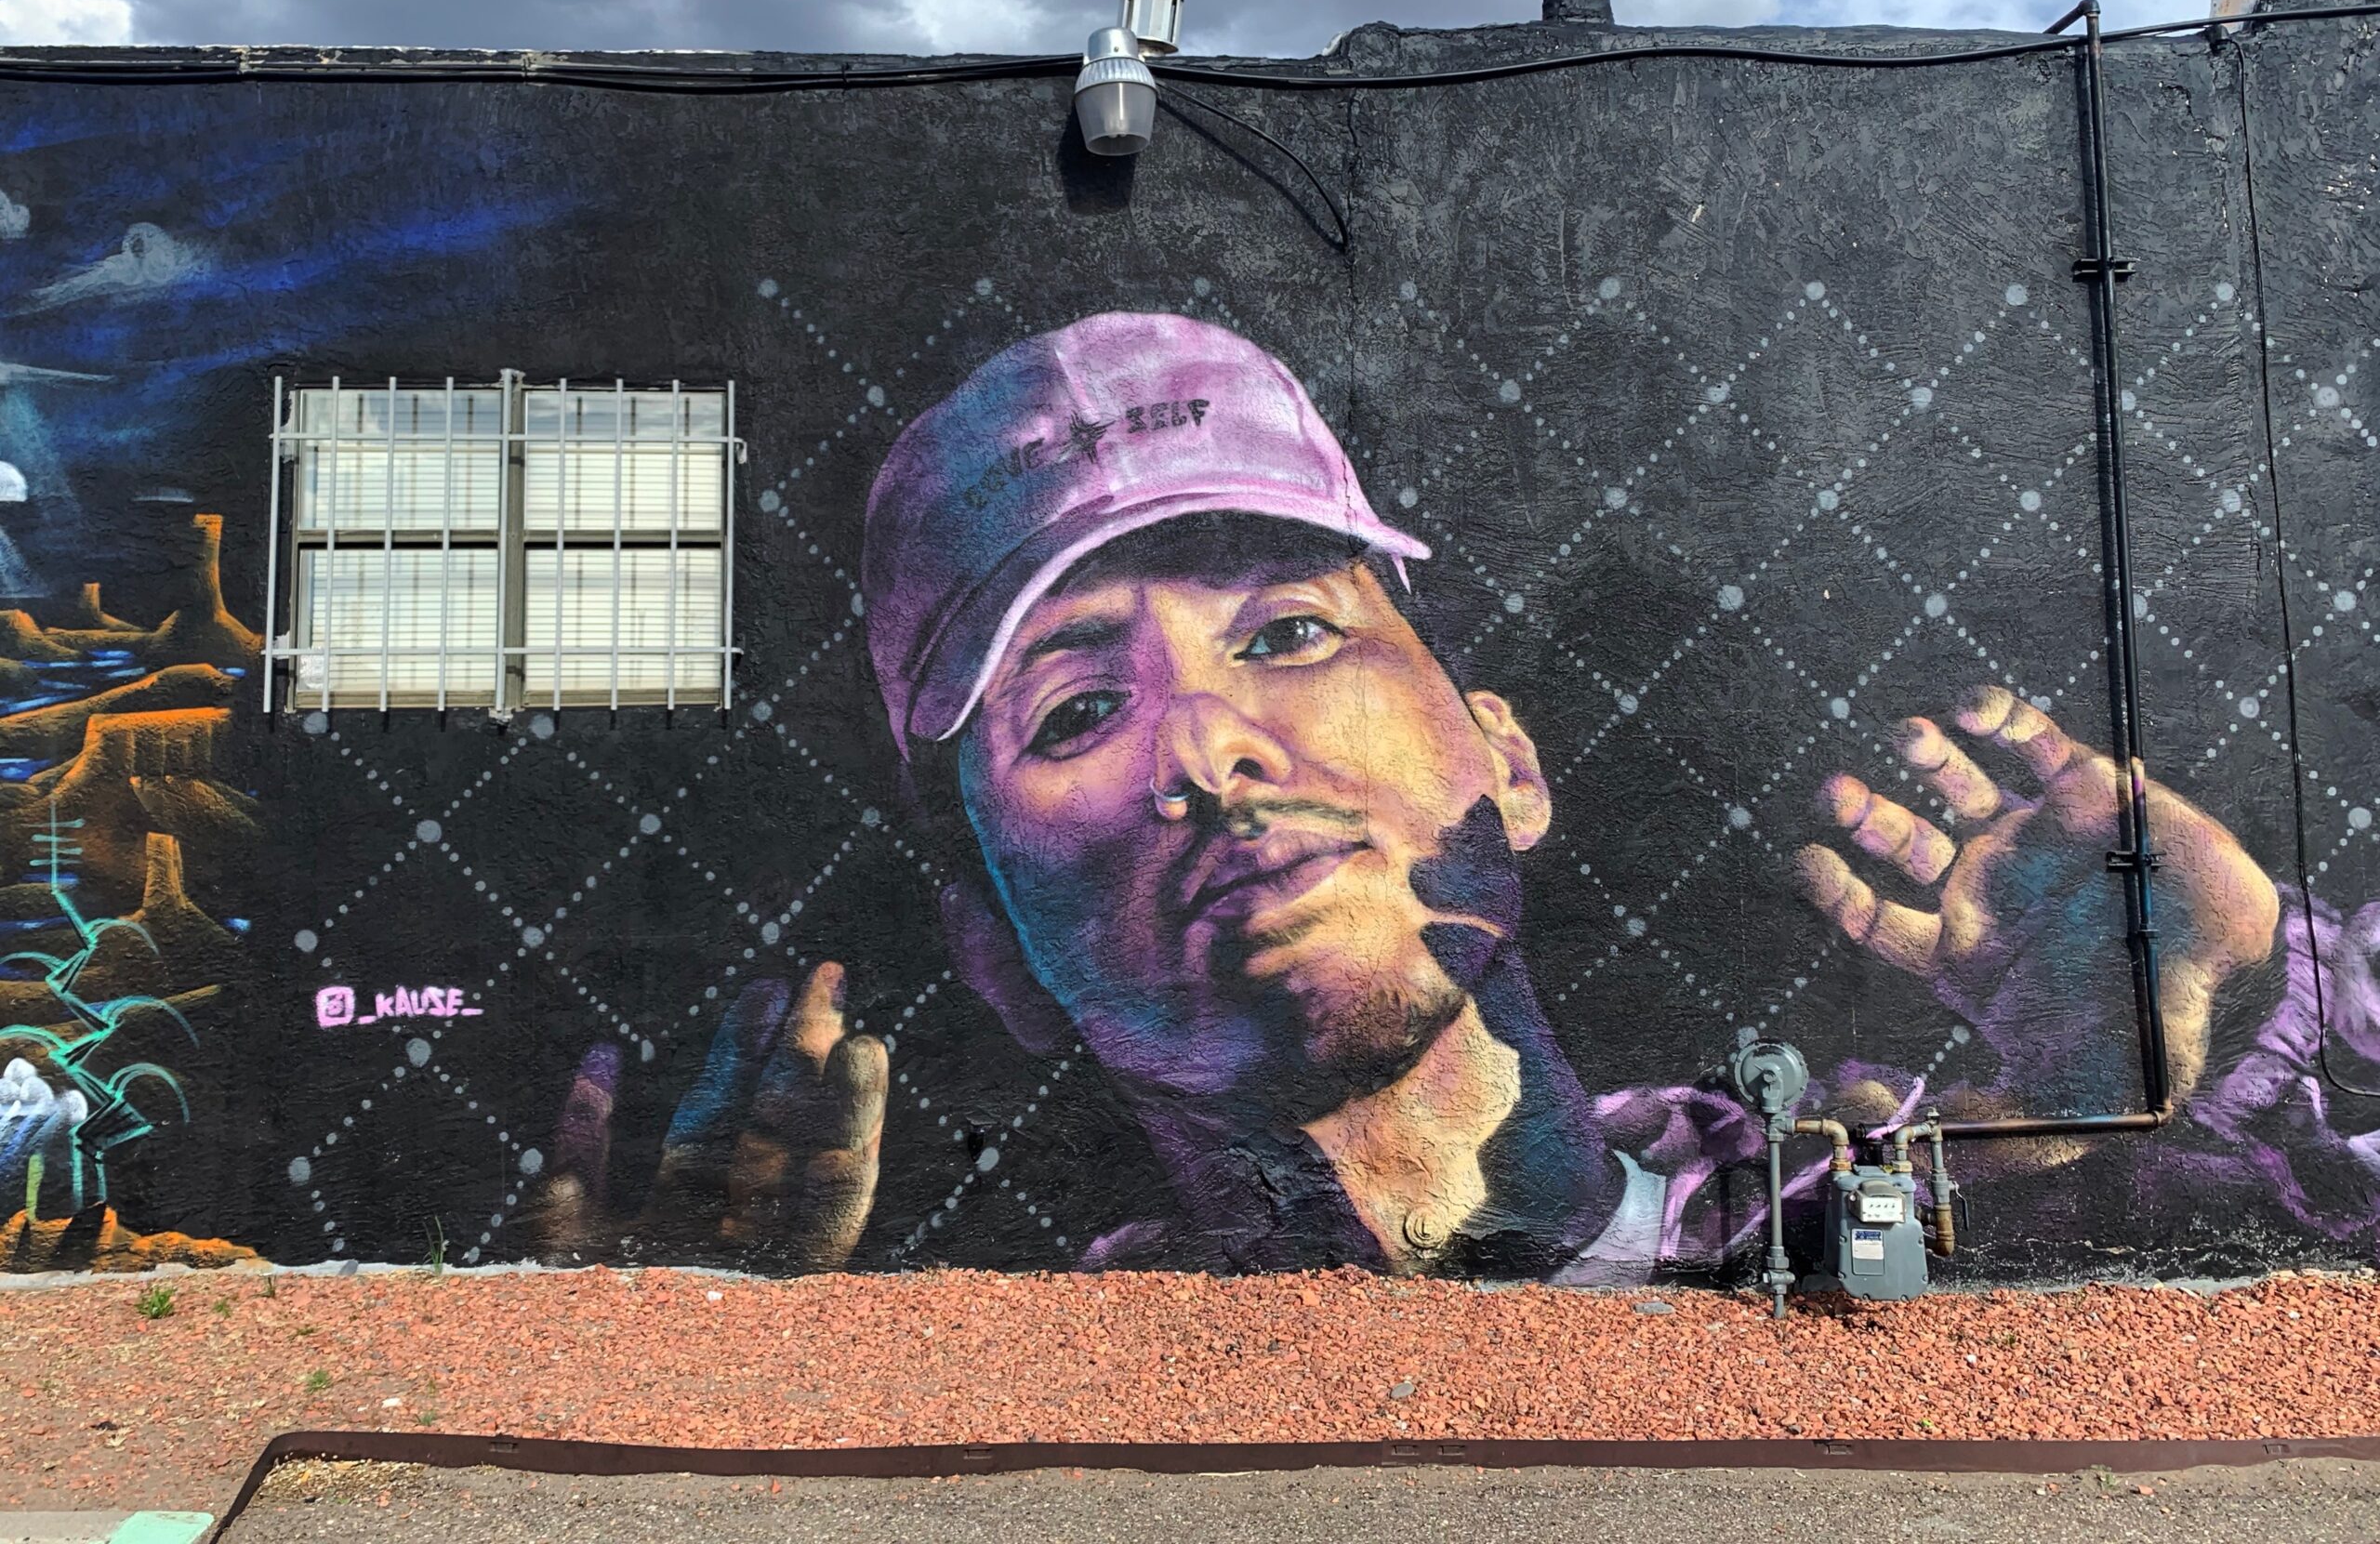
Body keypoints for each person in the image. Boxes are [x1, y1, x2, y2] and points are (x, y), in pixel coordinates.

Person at [530, 310, 2380, 1277]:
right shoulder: (1058, 1378)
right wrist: (678, 1370)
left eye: (1282, 635)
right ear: (991, 946)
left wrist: (2231, 1024)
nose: (1208, 751)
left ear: (1501, 754)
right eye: (1081, 703)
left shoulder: (1911, 1206)